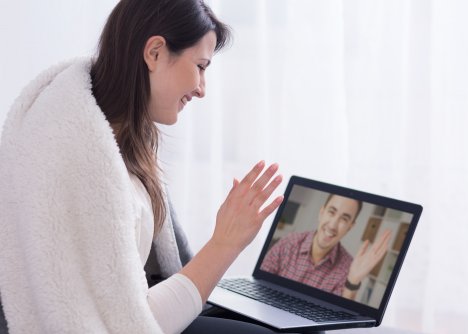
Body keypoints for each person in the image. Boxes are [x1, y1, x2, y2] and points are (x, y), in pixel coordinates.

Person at [0, 1, 284, 333]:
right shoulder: (82, 163)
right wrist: (225, 243)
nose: (202, 89)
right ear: (155, 53)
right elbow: (127, 324)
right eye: (201, 66)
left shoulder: (124, 139)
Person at [261, 194, 391, 300]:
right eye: (331, 212)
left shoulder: (348, 269)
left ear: (350, 227)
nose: (333, 225)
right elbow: (260, 284)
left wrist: (353, 281)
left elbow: (340, 318)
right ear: (321, 212)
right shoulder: (288, 242)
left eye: (344, 219)